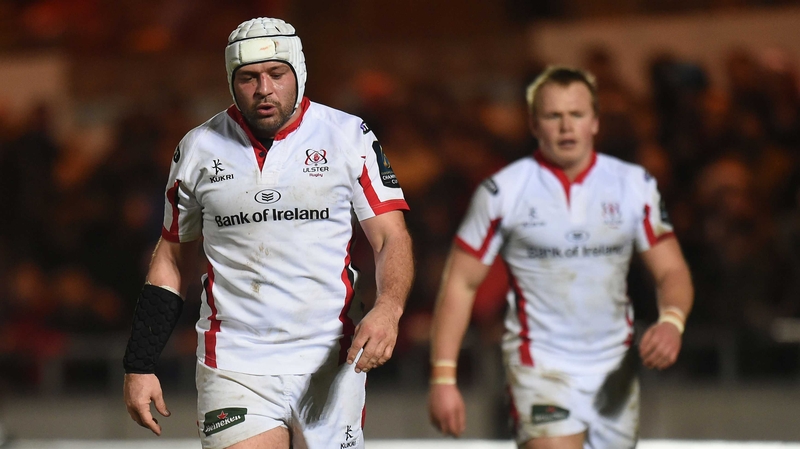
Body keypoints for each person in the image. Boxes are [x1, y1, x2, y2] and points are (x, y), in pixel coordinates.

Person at [122, 17, 413, 449]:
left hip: (329, 359)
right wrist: (140, 362)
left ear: (298, 71)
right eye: (248, 78)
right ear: (230, 81)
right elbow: (170, 257)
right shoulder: (198, 148)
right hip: (234, 363)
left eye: (276, 74)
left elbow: (391, 236)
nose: (263, 89)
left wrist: (389, 308)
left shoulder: (349, 136)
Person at [428, 66, 693, 448]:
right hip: (540, 366)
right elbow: (460, 281)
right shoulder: (503, 191)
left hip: (614, 368)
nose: (566, 127)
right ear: (535, 125)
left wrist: (672, 320)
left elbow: (671, 269)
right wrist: (443, 377)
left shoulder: (634, 186)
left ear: (595, 122)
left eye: (577, 115)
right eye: (554, 116)